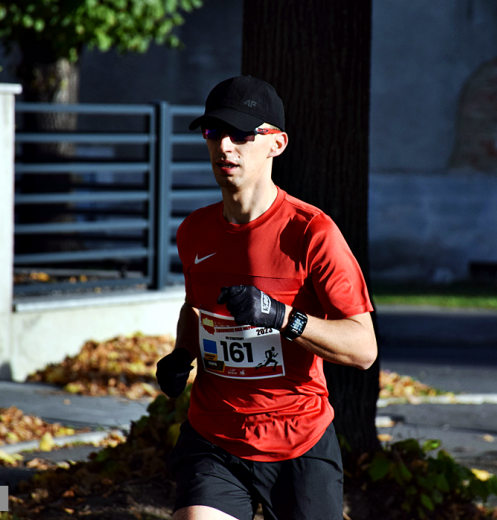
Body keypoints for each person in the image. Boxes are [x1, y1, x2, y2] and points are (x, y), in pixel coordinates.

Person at [156, 75, 377, 520]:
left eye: (241, 134)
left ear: (276, 144)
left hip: (298, 438)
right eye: (213, 133)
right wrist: (183, 353)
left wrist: (282, 317)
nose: (224, 147)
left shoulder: (312, 232)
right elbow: (195, 306)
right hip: (214, 436)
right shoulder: (194, 230)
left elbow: (363, 349)